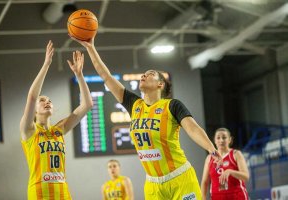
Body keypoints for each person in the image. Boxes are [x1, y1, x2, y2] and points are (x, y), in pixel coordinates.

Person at [71, 36, 222, 200]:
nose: (143, 76)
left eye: (149, 74)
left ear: (160, 84)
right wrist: (91, 47)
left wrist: (210, 148)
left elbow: (192, 128)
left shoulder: (172, 105)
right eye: (143, 74)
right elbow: (106, 77)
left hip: (180, 178)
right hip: (153, 184)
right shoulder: (134, 105)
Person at [20, 40, 93, 200]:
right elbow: (32, 97)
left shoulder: (59, 130)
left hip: (62, 192)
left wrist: (79, 76)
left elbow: (87, 104)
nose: (47, 102)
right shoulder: (29, 130)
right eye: (43, 100)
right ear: (34, 111)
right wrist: (46, 64)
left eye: (49, 101)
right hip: (39, 192)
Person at [201, 128, 249, 200]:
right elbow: (204, 182)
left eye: (224, 137)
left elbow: (246, 176)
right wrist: (202, 198)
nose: (221, 140)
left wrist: (230, 171)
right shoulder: (209, 158)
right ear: (214, 140)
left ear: (229, 139)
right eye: (218, 138)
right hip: (217, 196)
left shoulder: (236, 154)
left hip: (237, 196)